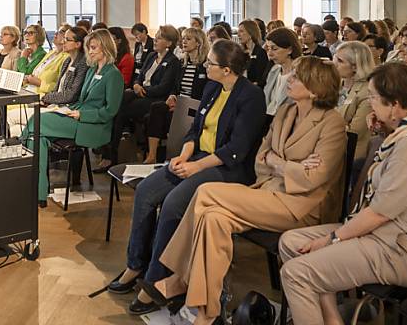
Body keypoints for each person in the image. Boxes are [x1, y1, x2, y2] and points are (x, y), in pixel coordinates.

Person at [144, 56, 347, 325]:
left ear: (315, 88)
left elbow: (312, 179)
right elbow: (261, 158)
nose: (290, 79)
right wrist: (285, 166)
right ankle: (208, 313)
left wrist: (278, 162)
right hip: (267, 191)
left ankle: (180, 277)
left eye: (296, 77)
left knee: (206, 192)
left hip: (301, 206)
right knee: (213, 218)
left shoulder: (331, 123)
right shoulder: (287, 112)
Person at [277, 63, 407, 325]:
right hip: (386, 235)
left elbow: (378, 213)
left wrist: (332, 239)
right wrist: (384, 130)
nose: (370, 102)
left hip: (406, 249)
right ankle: (331, 318)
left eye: (373, 97)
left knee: (297, 273)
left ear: (394, 105)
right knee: (291, 243)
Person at [109, 40, 266, 315]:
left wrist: (196, 167)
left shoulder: (251, 96)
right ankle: (136, 264)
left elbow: (237, 149)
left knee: (172, 204)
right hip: (197, 158)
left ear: (227, 69)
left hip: (226, 168)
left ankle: (155, 281)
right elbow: (195, 130)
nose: (206, 67)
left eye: (211, 64)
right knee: (146, 191)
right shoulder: (212, 87)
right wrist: (184, 155)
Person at [32, 29, 124, 203]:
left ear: (105, 48)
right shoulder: (91, 71)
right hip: (76, 116)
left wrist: (82, 114)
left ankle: (32, 186)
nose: (90, 51)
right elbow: (81, 100)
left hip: (94, 126)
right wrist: (66, 109)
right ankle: (39, 192)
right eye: (89, 47)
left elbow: (110, 111)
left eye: (94, 47)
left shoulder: (113, 75)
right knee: (38, 137)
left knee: (37, 122)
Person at [117, 25, 183, 164]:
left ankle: (114, 150)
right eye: (156, 37)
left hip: (155, 98)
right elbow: (139, 76)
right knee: (120, 99)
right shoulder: (152, 56)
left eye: (160, 38)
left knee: (121, 109)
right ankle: (116, 147)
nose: (155, 40)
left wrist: (142, 90)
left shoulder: (173, 62)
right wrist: (136, 85)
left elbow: (163, 88)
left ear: (169, 43)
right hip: (140, 92)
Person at [334, 41, 376, 161]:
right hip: (332, 147)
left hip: (353, 154)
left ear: (355, 66)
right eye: (336, 58)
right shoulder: (336, 84)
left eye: (340, 61)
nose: (334, 64)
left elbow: (355, 131)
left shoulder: (367, 91)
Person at [264, 28, 302, 126]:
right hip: (268, 120)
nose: (270, 53)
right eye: (268, 49)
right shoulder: (274, 70)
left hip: (288, 123)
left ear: (290, 49)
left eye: (274, 49)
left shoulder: (300, 73)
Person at [238, 19, 270, 88]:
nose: (238, 35)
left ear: (250, 33)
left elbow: (261, 78)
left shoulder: (260, 53)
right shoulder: (240, 52)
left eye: (241, 31)